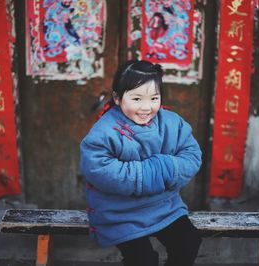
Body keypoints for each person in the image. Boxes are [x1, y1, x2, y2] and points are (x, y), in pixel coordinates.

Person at [79, 60, 202, 266]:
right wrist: (153, 171)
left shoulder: (171, 122)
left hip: (163, 206)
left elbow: (192, 155)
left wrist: (169, 168)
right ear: (117, 98)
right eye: (136, 99)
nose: (147, 107)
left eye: (154, 98)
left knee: (188, 241)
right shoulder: (105, 130)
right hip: (119, 211)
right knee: (143, 260)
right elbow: (98, 168)